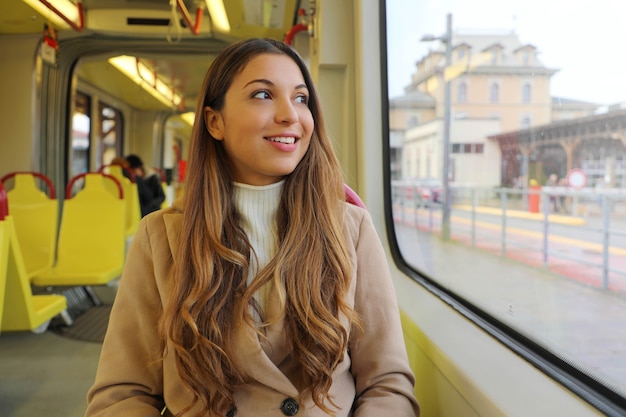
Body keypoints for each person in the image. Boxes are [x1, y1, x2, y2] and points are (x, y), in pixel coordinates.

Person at [85, 38, 420, 417]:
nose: (290, 115)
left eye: (301, 98)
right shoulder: (161, 237)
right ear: (215, 122)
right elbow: (122, 393)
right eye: (263, 94)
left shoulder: (351, 228)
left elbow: (386, 385)